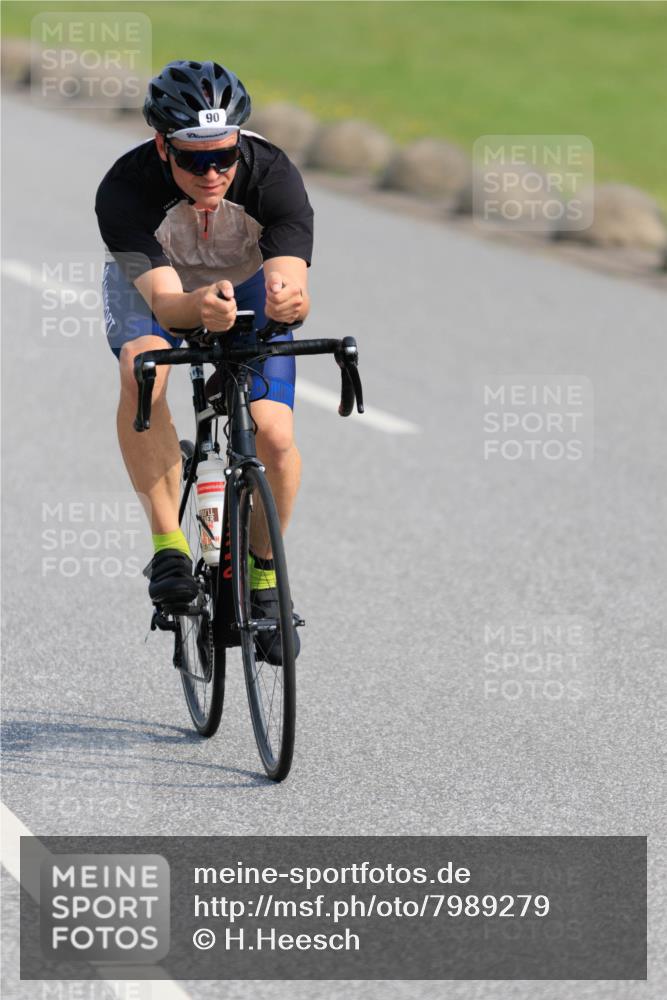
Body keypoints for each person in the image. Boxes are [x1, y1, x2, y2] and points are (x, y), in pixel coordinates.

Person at [95, 59, 314, 660]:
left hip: (242, 286)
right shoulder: (125, 187)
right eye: (195, 159)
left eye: (225, 154)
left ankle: (265, 578)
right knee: (145, 366)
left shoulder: (272, 173)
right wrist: (197, 309)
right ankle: (169, 546)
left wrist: (290, 298)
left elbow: (292, 277)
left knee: (273, 435)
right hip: (155, 290)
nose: (213, 171)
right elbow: (167, 306)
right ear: (163, 145)